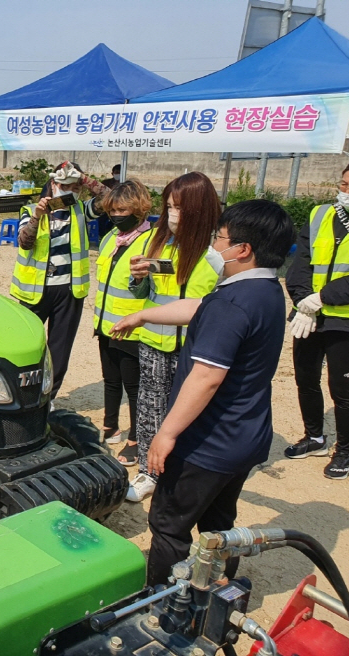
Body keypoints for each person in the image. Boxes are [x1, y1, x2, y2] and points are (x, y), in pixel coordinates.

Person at [113, 200, 294, 585]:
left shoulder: (232, 304)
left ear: (243, 250)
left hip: (207, 444)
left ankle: (162, 607)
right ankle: (217, 592)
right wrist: (144, 314)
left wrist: (166, 434)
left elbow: (206, 376)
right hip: (244, 439)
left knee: (168, 525)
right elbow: (201, 307)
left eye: (220, 238)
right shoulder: (264, 291)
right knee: (218, 526)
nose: (215, 244)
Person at [118, 172, 221, 503]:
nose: (171, 214)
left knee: (188, 411)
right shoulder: (158, 242)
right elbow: (146, 292)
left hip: (195, 349)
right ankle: (149, 472)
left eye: (179, 207)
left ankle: (181, 472)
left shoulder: (216, 253)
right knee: (150, 408)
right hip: (153, 343)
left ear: (199, 209)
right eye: (168, 206)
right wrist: (138, 280)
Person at [284, 158, 349, 479]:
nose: (348, 192)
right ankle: (314, 436)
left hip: (347, 320)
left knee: (341, 388)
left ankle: (344, 451)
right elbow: (300, 264)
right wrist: (304, 302)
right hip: (308, 315)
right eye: (344, 185)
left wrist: (323, 297)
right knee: (305, 378)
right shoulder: (319, 215)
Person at [10, 160, 109, 399]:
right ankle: (21, 394)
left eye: (75, 187)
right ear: (53, 184)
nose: (69, 191)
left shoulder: (81, 211)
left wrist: (84, 179)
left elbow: (110, 198)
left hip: (69, 291)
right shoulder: (31, 210)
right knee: (26, 346)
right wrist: (37, 216)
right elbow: (25, 242)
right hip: (35, 291)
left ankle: (48, 398)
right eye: (64, 184)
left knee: (59, 351)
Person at [93, 180, 154, 447]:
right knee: (111, 380)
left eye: (122, 210)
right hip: (106, 324)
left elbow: (151, 288)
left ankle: (136, 438)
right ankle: (110, 426)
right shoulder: (110, 238)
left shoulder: (151, 241)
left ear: (139, 209)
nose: (116, 216)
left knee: (134, 387)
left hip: (132, 328)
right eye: (112, 211)